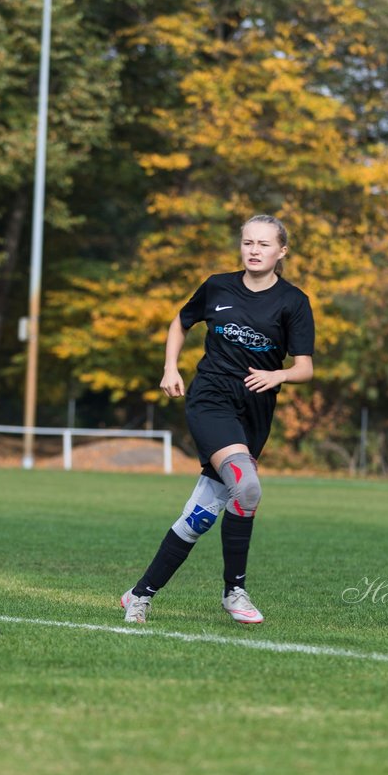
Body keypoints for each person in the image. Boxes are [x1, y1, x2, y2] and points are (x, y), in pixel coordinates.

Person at [121, 214, 315, 625]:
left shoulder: (294, 302)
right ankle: (234, 592)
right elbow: (181, 321)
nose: (254, 250)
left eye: (264, 244)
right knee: (247, 487)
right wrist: (170, 368)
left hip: (256, 412)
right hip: (210, 399)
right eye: (248, 242)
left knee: (202, 514)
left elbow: (305, 368)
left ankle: (139, 594)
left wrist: (277, 374)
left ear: (282, 251)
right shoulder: (217, 286)